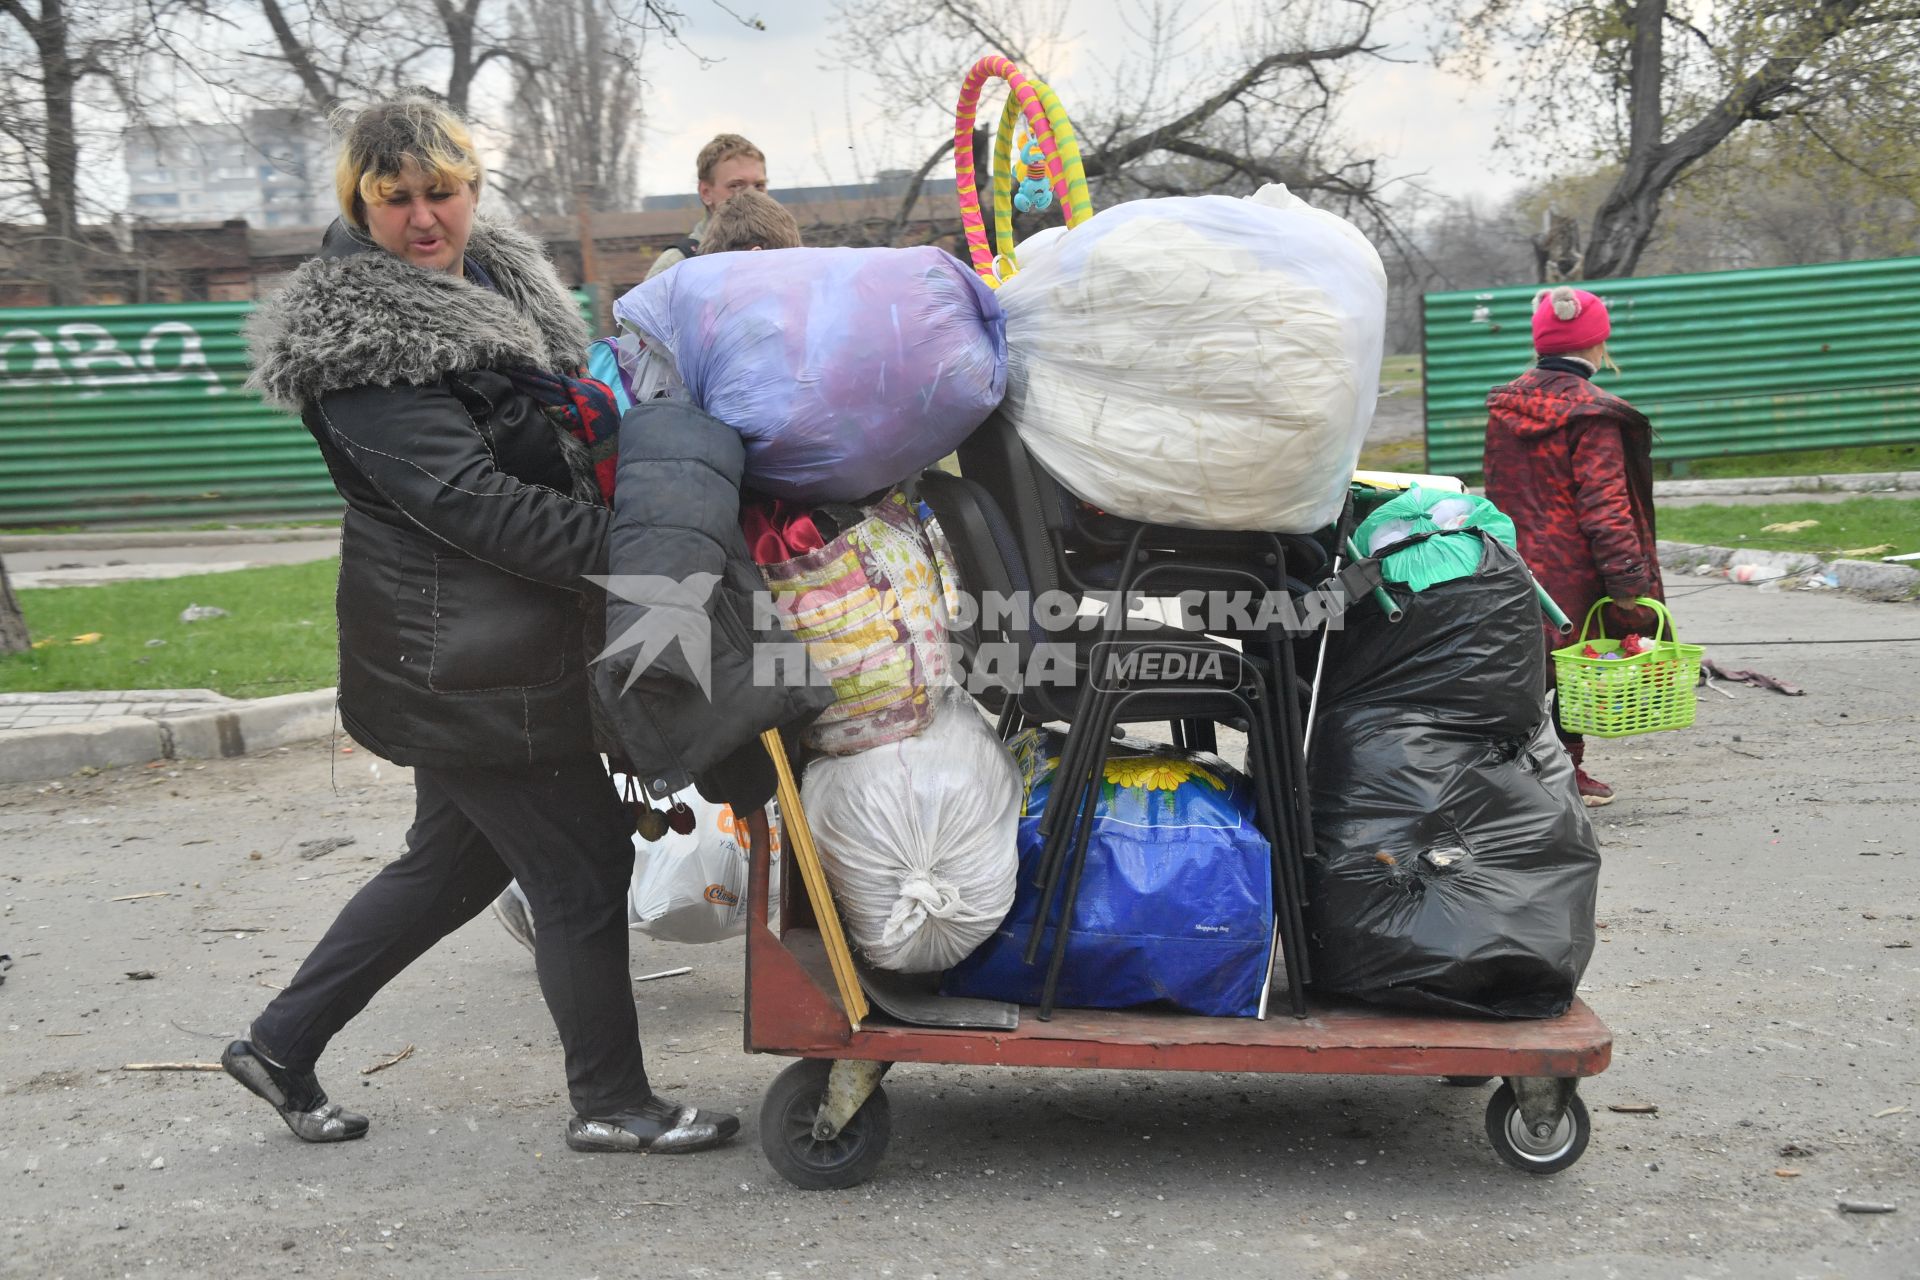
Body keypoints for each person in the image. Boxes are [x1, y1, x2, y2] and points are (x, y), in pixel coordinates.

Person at [227, 94, 738, 1156]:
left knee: (454, 863)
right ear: (359, 205)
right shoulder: (362, 345)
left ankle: (280, 1042)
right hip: (464, 662)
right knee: (584, 869)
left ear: (472, 189)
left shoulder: (490, 282)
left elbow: (553, 429)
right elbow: (470, 503)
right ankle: (612, 1101)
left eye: (442, 191)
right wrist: (641, 549)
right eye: (395, 197)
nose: (424, 217)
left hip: (497, 643)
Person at [487, 187, 803, 957]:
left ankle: (535, 889)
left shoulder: (653, 331)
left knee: (640, 750)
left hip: (648, 568)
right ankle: (534, 895)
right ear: (757, 262)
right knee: (638, 749)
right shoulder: (673, 341)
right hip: (640, 574)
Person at [1482, 285, 1663, 808]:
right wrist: (1629, 583)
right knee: (1580, 671)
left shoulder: (1507, 406)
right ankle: (1567, 771)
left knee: (1527, 672)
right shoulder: (1593, 415)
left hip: (1515, 561)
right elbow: (1607, 506)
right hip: (1579, 569)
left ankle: (1514, 771)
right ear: (1597, 344)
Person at [643, 133, 768, 279]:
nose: (752, 195)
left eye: (759, 186)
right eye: (735, 186)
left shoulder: (782, 254)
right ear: (706, 193)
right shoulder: (677, 267)